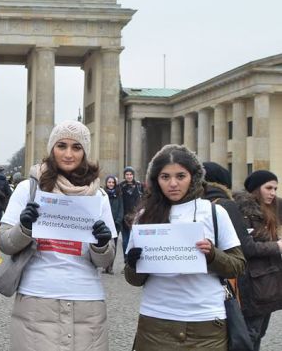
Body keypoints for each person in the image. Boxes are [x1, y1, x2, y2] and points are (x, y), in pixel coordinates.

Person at [0, 120, 114, 351]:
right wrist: (24, 227)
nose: (68, 154)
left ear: (85, 152)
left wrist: (101, 244)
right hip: (37, 297)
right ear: (52, 148)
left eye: (76, 147)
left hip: (87, 302)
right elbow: (5, 243)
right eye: (61, 146)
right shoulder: (28, 189)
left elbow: (106, 260)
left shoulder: (99, 195)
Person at [124, 145, 245, 350]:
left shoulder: (215, 213)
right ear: (156, 180)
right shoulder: (144, 216)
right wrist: (134, 265)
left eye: (181, 176)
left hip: (206, 322)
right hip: (156, 320)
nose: (173, 183)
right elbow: (133, 280)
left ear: (193, 177)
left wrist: (212, 255)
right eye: (165, 177)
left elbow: (238, 266)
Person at [235, 170, 281, 351]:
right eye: (268, 188)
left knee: (259, 333)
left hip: (268, 281)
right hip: (252, 283)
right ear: (256, 188)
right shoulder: (242, 211)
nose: (273, 193)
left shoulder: (270, 208)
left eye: (275, 189)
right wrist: (277, 246)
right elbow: (246, 248)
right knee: (250, 334)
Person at [120, 166, 143, 262]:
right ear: (124, 175)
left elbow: (144, 198)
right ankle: (126, 259)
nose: (129, 176)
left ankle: (133, 260)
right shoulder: (121, 186)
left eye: (130, 174)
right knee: (125, 240)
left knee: (134, 239)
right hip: (124, 217)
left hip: (136, 217)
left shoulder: (139, 186)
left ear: (133, 175)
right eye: (127, 174)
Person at [103, 175, 123, 274]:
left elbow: (121, 209)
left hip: (115, 224)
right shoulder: (103, 194)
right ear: (106, 183)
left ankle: (110, 266)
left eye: (112, 182)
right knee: (104, 245)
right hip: (105, 224)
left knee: (113, 245)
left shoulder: (118, 194)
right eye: (109, 182)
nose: (111, 184)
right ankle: (105, 266)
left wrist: (118, 220)